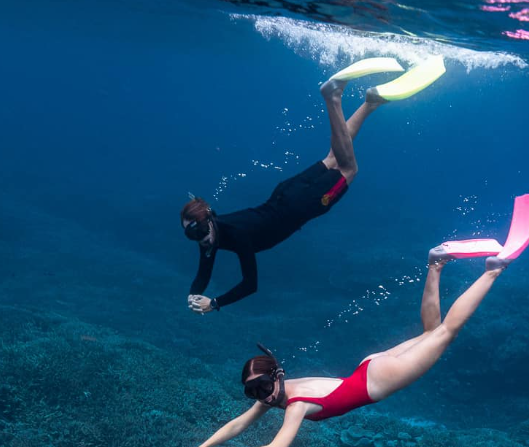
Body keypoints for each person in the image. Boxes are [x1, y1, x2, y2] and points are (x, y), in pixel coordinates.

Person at [181, 58, 445, 315]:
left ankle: (333, 97)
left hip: (302, 205)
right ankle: (370, 103)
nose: (202, 239)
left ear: (209, 219)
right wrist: (193, 295)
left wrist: (214, 303)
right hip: (285, 192)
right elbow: (203, 273)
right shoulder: (210, 236)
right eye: (194, 236)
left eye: (201, 232)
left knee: (349, 170)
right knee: (333, 158)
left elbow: (251, 284)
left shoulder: (236, 235)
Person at [190, 255, 508, 447]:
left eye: (262, 386)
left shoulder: (296, 404)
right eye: (253, 392)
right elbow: (238, 423)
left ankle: (493, 270)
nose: (262, 396)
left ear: (276, 376)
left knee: (447, 332)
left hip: (379, 379)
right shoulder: (278, 392)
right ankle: (436, 264)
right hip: (369, 367)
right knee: (431, 331)